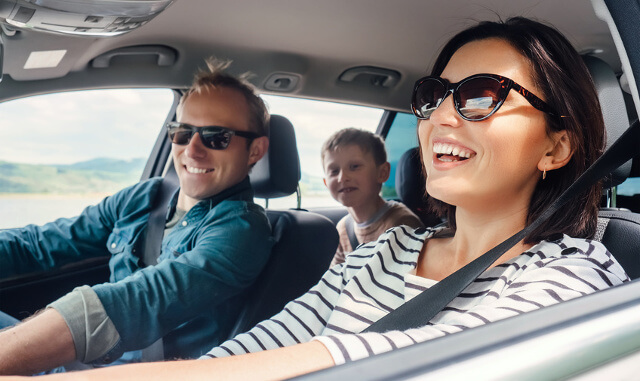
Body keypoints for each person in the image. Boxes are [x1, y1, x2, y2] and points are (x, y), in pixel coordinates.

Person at [3, 17, 630, 380]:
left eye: (482, 94)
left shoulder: (570, 278)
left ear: (557, 146)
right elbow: (255, 349)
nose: (441, 117)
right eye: (436, 95)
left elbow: (378, 358)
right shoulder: (383, 254)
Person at [0, 59, 274, 375]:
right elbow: (39, 244)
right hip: (84, 362)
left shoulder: (241, 230)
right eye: (183, 133)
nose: (192, 150)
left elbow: (140, 302)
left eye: (216, 137)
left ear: (255, 151)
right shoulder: (145, 197)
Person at [321, 128, 423, 266]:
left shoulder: (402, 224)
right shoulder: (343, 228)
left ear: (382, 173)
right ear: (326, 183)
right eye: (334, 171)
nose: (342, 177)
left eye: (354, 166)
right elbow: (336, 278)